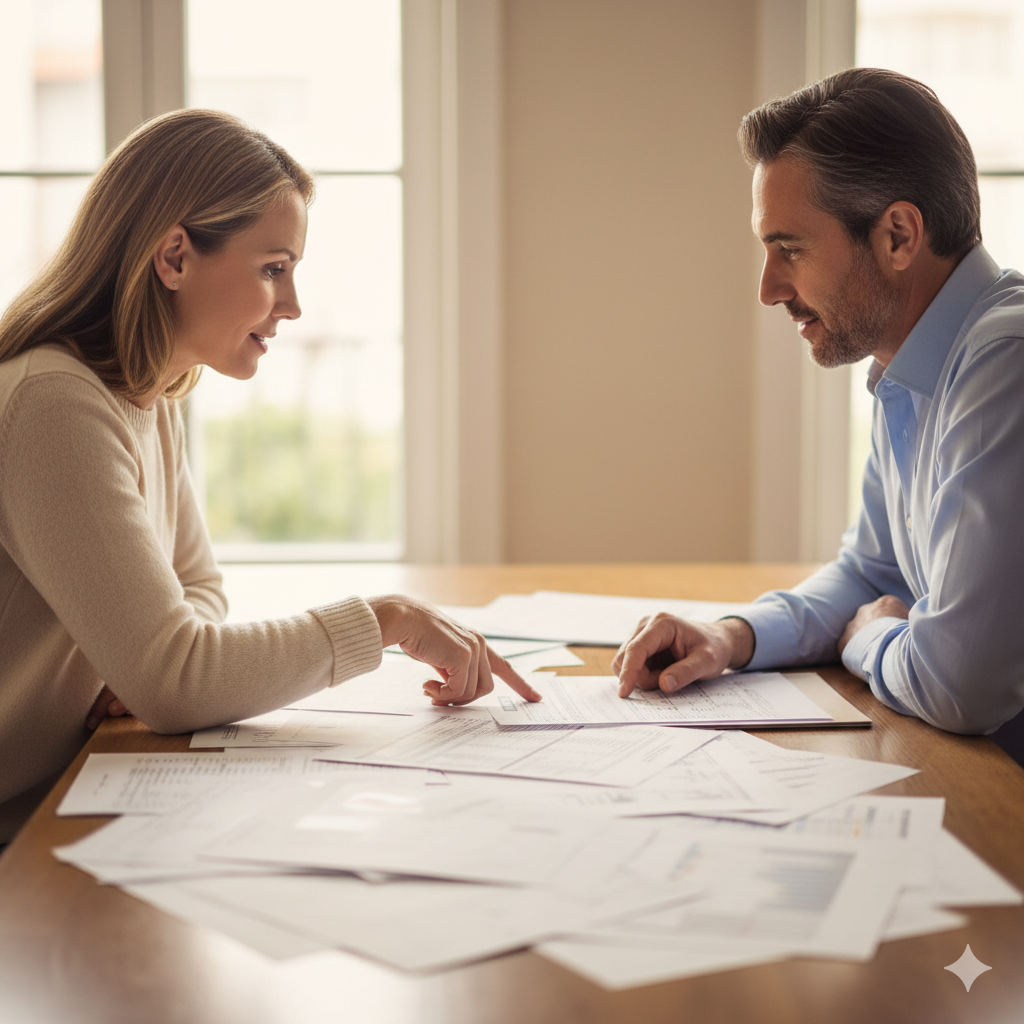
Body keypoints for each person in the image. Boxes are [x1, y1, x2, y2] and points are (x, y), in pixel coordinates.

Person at [0, 108, 539, 844]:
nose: (291, 306)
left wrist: (139, 661)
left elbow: (199, 592)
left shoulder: (148, 394)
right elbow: (177, 677)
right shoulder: (52, 404)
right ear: (175, 257)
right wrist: (387, 621)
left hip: (59, 798)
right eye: (273, 269)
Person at [614, 68, 1024, 748]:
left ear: (897, 235)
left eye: (791, 250)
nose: (770, 289)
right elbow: (873, 572)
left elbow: (962, 686)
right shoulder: (910, 367)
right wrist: (731, 637)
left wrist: (869, 639)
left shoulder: (1004, 365)